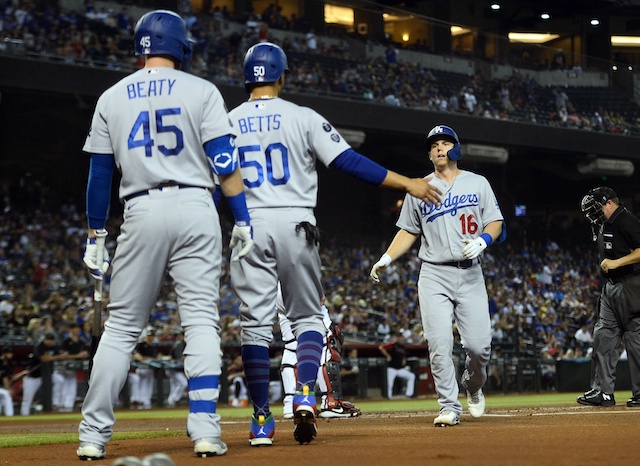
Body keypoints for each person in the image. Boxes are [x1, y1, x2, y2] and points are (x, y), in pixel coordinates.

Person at [227, 41, 440, 446]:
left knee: (254, 326)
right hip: (295, 222)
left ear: (246, 77)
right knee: (307, 318)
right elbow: (348, 162)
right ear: (282, 75)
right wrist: (408, 182)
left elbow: (217, 179)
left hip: (248, 224)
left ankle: (259, 421)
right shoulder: (302, 117)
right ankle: (307, 391)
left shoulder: (226, 121)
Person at [76, 9, 252, 461]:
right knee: (200, 324)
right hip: (196, 207)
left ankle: (93, 436)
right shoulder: (203, 90)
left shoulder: (111, 97)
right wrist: (243, 218)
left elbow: (99, 175)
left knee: (120, 329)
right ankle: (206, 432)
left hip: (142, 207)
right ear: (182, 46)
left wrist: (96, 234)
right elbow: (226, 165)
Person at [370, 124, 505, 427]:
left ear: (456, 148)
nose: (439, 149)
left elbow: (495, 222)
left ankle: (472, 385)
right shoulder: (419, 188)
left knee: (479, 347)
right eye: (434, 145)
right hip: (433, 274)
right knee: (439, 343)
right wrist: (386, 258)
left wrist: (484, 240)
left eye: (444, 143)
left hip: (470, 275)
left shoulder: (478, 182)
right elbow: (408, 231)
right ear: (429, 153)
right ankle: (449, 405)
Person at [577, 186, 640, 408]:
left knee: (635, 341)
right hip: (611, 287)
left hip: (631, 285)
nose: (593, 214)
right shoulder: (605, 224)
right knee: (603, 336)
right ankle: (603, 391)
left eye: (596, 208)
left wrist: (617, 262)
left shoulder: (626, 220)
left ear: (609, 203)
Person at [276, 286, 361, 420]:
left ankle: (291, 404)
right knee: (329, 339)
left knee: (292, 344)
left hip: (278, 288)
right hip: (298, 281)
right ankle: (331, 402)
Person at [21, 333, 66, 416]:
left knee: (59, 380)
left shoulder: (53, 347)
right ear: (43, 339)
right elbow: (43, 358)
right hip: (33, 377)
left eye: (51, 340)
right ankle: (24, 416)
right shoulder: (39, 347)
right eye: (47, 339)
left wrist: (60, 355)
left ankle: (55, 402)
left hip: (46, 376)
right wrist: (58, 357)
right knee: (27, 399)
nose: (49, 341)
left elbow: (62, 356)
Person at [52, 323, 89, 412]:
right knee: (62, 384)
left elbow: (85, 353)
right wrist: (77, 356)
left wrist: (83, 355)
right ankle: (58, 405)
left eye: (78, 329)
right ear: (71, 330)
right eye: (75, 328)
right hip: (62, 368)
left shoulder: (81, 341)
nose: (77, 330)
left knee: (72, 387)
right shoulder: (66, 341)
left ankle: (68, 407)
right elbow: (63, 356)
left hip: (73, 368)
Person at [378, 331, 415, 399]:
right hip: (391, 368)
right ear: (397, 337)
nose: (400, 338)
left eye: (401, 336)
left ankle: (409, 394)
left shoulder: (403, 347)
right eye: (399, 337)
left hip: (400, 369)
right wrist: (388, 355)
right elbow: (381, 347)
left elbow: (403, 355)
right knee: (390, 383)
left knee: (411, 376)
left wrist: (404, 359)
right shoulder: (393, 344)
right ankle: (389, 397)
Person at [130, 332, 158, 410]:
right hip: (141, 367)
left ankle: (146, 401)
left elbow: (155, 356)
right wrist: (147, 358)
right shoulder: (141, 344)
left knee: (148, 384)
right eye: (149, 336)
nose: (151, 338)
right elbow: (137, 356)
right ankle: (140, 400)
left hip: (150, 368)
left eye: (152, 336)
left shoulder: (153, 346)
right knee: (141, 383)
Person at [165, 330, 188, 408]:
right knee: (183, 383)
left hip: (174, 368)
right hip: (173, 368)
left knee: (175, 385)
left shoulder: (181, 343)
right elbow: (179, 358)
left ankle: (170, 401)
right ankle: (173, 399)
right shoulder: (179, 344)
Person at [0, 346, 15, 416]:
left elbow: (11, 377)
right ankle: (9, 415)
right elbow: (4, 377)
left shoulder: (9, 363)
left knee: (2, 399)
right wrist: (8, 388)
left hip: (2, 387)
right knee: (6, 394)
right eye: (8, 353)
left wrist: (23, 373)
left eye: (10, 353)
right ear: (4, 354)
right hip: (2, 387)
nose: (10, 355)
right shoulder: (1, 362)